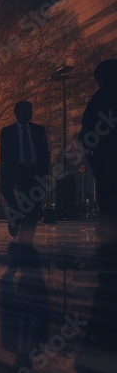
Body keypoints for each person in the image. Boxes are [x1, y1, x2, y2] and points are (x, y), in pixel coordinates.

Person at [0, 101, 49, 244]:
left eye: (31, 110)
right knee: (20, 204)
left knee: (33, 206)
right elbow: (4, 157)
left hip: (34, 171)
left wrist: (44, 172)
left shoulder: (39, 130)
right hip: (16, 171)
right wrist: (4, 178)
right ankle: (16, 219)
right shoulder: (7, 132)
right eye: (26, 111)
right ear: (17, 113)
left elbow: (45, 153)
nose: (30, 113)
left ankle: (26, 239)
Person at [81, 59, 117, 248]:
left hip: (105, 160)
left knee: (107, 197)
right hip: (105, 159)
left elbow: (85, 134)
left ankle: (109, 231)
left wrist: (92, 159)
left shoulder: (98, 100)